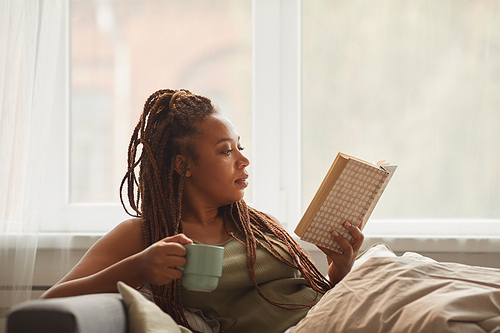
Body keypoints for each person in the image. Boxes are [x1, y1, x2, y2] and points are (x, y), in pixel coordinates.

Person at [41, 89, 364, 332]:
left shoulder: (261, 225)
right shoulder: (145, 234)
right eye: (226, 151)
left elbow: (309, 295)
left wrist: (339, 269)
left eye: (240, 146)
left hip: (334, 317)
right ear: (184, 165)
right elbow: (49, 304)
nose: (243, 160)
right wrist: (137, 269)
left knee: (398, 271)